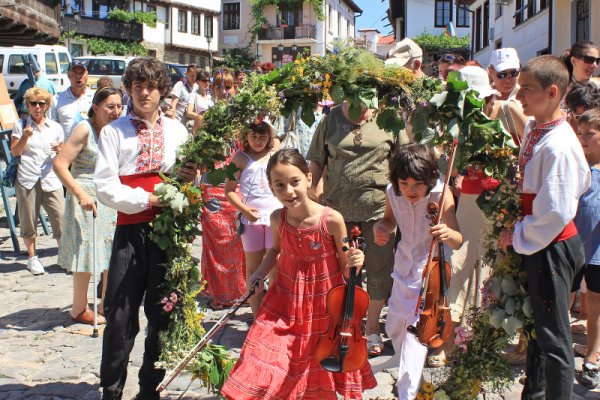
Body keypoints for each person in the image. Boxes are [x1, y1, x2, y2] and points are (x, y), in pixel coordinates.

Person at [220, 148, 377, 399]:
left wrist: (356, 259)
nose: (288, 192)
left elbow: (346, 265)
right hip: (285, 300)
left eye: (295, 182)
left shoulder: (332, 220)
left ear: (308, 179)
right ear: (271, 187)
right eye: (279, 185)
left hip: (323, 306)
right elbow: (275, 250)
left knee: (313, 366)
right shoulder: (277, 218)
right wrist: (258, 274)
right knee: (262, 352)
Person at [94, 58, 196, 400]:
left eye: (151, 86)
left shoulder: (178, 131)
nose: (145, 93)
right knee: (119, 312)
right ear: (130, 90)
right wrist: (150, 200)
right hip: (130, 233)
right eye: (138, 86)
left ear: (162, 90)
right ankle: (111, 389)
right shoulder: (114, 132)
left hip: (168, 235)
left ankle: (150, 388)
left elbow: (189, 181)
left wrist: (189, 180)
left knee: (162, 311)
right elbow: (105, 187)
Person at [498, 55, 591, 399]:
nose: (518, 97)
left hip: (550, 244)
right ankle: (535, 393)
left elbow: (555, 211)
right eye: (519, 89)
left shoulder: (559, 144)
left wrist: (517, 234)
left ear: (553, 92)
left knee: (554, 337)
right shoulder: (539, 129)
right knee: (538, 329)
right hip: (539, 240)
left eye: (526, 90)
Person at [306, 100, 397, 357]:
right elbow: (316, 161)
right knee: (340, 267)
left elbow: (402, 158)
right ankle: (343, 323)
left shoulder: (389, 117)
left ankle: (372, 328)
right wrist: (312, 198)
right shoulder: (331, 119)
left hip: (380, 210)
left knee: (379, 267)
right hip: (338, 212)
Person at [373, 143, 462, 399]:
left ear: (429, 178)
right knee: (394, 327)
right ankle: (414, 380)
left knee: (415, 332)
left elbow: (458, 239)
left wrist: (447, 232)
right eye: (405, 183)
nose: (410, 190)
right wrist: (382, 227)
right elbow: (389, 220)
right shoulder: (393, 192)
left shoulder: (441, 193)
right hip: (402, 267)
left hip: (429, 273)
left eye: (417, 185)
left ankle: (407, 392)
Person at [53, 87, 122, 325]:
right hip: (85, 195)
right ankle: (79, 308)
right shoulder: (84, 129)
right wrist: (80, 194)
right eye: (110, 107)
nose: (116, 111)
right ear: (96, 108)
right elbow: (60, 164)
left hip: (109, 196)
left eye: (119, 106)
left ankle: (105, 303)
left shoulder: (115, 130)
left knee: (111, 250)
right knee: (87, 252)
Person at [200, 68, 246, 309]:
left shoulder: (243, 119)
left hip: (238, 185)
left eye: (227, 86)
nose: (223, 90)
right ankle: (220, 293)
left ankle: (241, 290)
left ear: (235, 88)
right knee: (217, 243)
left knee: (238, 242)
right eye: (218, 86)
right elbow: (198, 155)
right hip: (213, 184)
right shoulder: (205, 118)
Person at [224, 122, 282, 317]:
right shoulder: (240, 159)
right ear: (246, 137)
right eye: (254, 137)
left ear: (269, 138)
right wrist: (245, 210)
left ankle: (274, 313)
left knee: (275, 268)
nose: (258, 141)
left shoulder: (275, 158)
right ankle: (257, 315)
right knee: (253, 269)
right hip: (251, 221)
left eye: (262, 137)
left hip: (274, 218)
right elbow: (229, 191)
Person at [10, 87, 64, 275]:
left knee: (60, 217)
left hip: (50, 177)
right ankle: (32, 258)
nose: (37, 107)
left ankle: (63, 256)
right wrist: (25, 136)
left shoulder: (55, 127)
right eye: (33, 103)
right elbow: (15, 151)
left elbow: (63, 151)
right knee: (28, 220)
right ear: (28, 105)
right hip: (28, 177)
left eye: (41, 103)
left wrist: (60, 149)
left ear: (47, 106)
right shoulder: (21, 124)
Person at [573, 109, 600, 389]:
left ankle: (592, 356)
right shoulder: (577, 166)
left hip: (596, 249)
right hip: (571, 246)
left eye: (589, 134)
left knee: (594, 301)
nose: (583, 139)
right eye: (580, 134)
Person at [50, 60, 94, 140]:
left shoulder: (95, 98)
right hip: (65, 149)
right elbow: (52, 128)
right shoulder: (57, 100)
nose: (78, 76)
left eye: (81, 73)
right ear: (68, 75)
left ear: (87, 75)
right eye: (75, 73)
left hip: (90, 149)